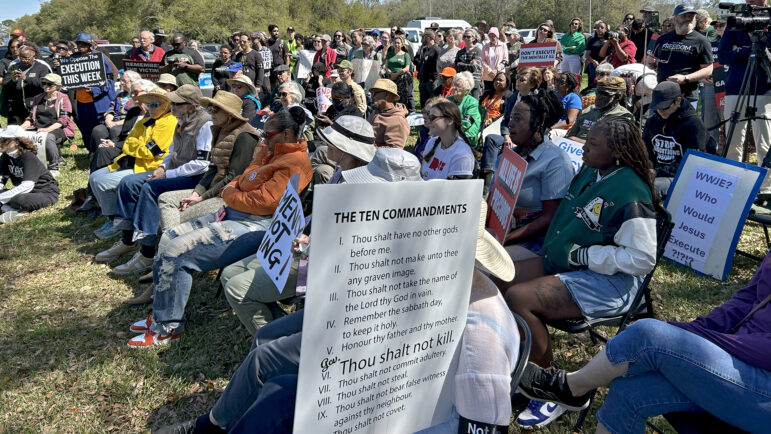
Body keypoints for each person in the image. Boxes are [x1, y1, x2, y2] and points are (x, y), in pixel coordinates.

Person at [160, 181, 518, 433]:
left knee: (278, 399)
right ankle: (214, 424)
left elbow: (479, 425)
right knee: (274, 383)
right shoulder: (432, 280)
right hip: (368, 379)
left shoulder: (479, 332)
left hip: (391, 409)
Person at [502, 115, 658, 429]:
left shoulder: (630, 189)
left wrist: (585, 254)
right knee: (497, 276)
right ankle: (516, 365)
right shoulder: (592, 170)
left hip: (610, 282)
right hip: (569, 262)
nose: (583, 147)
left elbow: (642, 259)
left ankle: (553, 389)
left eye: (593, 144)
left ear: (616, 151)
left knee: (519, 298)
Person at [517, 250, 771, 433]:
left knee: (649, 334)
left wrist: (704, 339)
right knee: (629, 391)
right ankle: (570, 389)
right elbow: (747, 300)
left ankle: (571, 387)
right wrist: (693, 329)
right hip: (738, 367)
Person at [126, 107, 312, 348]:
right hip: (237, 214)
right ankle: (163, 312)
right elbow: (244, 177)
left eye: (268, 135)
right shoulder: (270, 150)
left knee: (178, 250)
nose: (263, 139)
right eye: (264, 135)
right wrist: (237, 189)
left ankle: (168, 326)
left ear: (287, 134)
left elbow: (265, 203)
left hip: (260, 226)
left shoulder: (295, 162)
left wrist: (231, 193)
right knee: (169, 236)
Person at [95, 85, 213, 283]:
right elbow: (169, 152)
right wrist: (162, 168)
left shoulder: (205, 124)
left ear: (191, 106)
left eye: (176, 104)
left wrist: (168, 173)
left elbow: (202, 164)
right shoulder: (181, 121)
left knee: (149, 188)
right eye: (172, 103)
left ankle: (147, 252)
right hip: (175, 171)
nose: (172, 107)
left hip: (195, 177)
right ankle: (128, 239)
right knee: (128, 183)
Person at [155, 91, 261, 245]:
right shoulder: (220, 129)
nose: (210, 112)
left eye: (215, 109)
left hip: (229, 196)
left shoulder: (245, 136)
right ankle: (170, 248)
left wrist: (201, 198)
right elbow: (212, 167)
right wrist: (196, 193)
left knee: (181, 215)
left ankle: (168, 250)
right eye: (209, 108)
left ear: (230, 114)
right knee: (165, 199)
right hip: (214, 190)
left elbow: (234, 177)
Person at [89, 88, 176, 240]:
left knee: (102, 182)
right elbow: (127, 143)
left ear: (167, 105)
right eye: (149, 105)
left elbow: (151, 152)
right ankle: (111, 218)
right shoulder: (143, 121)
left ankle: (115, 223)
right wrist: (138, 145)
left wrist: (135, 145)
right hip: (131, 163)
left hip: (150, 167)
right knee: (95, 177)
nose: (151, 108)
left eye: (156, 105)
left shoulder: (169, 122)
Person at [499, 89, 573, 250]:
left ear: (538, 124)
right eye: (511, 117)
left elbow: (549, 219)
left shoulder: (556, 163)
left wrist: (504, 241)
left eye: (517, 119)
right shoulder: (509, 155)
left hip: (532, 244)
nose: (510, 123)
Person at [719, 0, 771, 201]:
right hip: (736, 88)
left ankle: (765, 189)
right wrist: (747, 50)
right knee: (733, 139)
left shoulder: (768, 19)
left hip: (764, 89)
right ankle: (732, 182)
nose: (752, 2)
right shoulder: (738, 21)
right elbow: (723, 55)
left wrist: (743, 49)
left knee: (764, 142)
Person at [480, 67, 542, 197]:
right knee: (491, 139)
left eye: (522, 79)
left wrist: (519, 140)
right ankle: (486, 185)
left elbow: (537, 127)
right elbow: (506, 120)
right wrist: (507, 136)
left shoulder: (538, 99)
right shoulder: (514, 97)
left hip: (527, 140)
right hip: (510, 136)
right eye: (517, 78)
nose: (517, 81)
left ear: (531, 83)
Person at [643, 81, 707, 198]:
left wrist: (657, 172)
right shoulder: (652, 122)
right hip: (655, 172)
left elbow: (692, 163)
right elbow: (645, 151)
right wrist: (647, 168)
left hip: (683, 176)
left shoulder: (693, 124)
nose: (660, 111)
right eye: (657, 107)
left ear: (678, 101)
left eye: (664, 106)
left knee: (650, 187)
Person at [649, 3, 713, 104]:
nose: (687, 19)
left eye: (691, 16)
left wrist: (685, 78)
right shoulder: (662, 39)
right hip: (662, 94)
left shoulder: (701, 41)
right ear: (675, 19)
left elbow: (708, 68)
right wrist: (651, 62)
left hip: (686, 96)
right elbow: (654, 63)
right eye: (683, 16)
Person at [0, 125, 59, 223]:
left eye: (4, 140)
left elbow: (27, 186)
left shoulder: (28, 157)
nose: (0, 142)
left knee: (18, 199)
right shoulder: (6, 156)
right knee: (8, 196)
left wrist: (2, 198)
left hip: (45, 192)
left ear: (16, 141)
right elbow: (2, 178)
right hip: (25, 192)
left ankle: (12, 210)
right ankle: (9, 209)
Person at [69, 33, 116, 154]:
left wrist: (95, 89)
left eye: (84, 44)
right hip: (81, 102)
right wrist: (59, 66)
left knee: (100, 128)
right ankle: (91, 152)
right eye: (78, 43)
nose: (80, 46)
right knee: (85, 129)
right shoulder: (73, 58)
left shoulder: (100, 57)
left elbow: (110, 79)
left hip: (99, 102)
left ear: (90, 45)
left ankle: (103, 152)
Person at [19, 73, 74, 174]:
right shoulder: (37, 98)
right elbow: (30, 118)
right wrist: (20, 128)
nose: (46, 86)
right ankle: (24, 164)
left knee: (48, 137)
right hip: (38, 128)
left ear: (57, 86)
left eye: (50, 84)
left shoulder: (64, 98)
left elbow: (64, 120)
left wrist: (46, 130)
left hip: (59, 129)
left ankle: (54, 166)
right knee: (20, 136)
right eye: (44, 83)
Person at [567, 77, 634, 143]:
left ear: (617, 97)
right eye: (597, 92)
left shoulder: (623, 117)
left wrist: (580, 141)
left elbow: (614, 147)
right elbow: (570, 136)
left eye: (604, 94)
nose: (598, 97)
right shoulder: (588, 110)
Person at [420, 99, 475, 180]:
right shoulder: (431, 142)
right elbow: (421, 175)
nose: (429, 121)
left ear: (449, 121)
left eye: (432, 117)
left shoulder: (462, 155)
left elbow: (456, 191)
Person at [2, 44, 52, 125]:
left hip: (36, 106)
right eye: (21, 58)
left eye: (27, 58)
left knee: (32, 133)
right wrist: (13, 80)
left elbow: (45, 84)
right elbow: (5, 85)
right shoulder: (14, 67)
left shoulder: (42, 67)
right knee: (15, 133)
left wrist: (26, 79)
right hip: (17, 107)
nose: (24, 60)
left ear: (33, 56)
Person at [368, 79, 409, 149]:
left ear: (387, 94)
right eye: (372, 93)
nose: (372, 96)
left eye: (375, 93)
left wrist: (368, 148)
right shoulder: (376, 112)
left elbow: (394, 150)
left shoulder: (397, 120)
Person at [448, 71, 481, 144]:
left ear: (466, 91)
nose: (454, 87)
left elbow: (466, 124)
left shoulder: (472, 102)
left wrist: (449, 133)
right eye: (454, 84)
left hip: (466, 136)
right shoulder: (449, 100)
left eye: (458, 86)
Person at [385, 36, 414, 112]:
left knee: (402, 99)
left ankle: (402, 115)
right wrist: (390, 73)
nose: (396, 44)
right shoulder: (390, 54)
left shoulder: (405, 55)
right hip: (391, 79)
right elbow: (386, 66)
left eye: (398, 43)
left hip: (402, 80)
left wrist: (396, 74)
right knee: (391, 97)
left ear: (402, 44)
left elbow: (407, 68)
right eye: (395, 43)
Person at [233, 33, 265, 100]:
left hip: (252, 86)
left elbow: (260, 71)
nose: (242, 43)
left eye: (244, 41)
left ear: (249, 42)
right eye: (240, 41)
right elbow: (235, 71)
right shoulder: (238, 55)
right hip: (241, 86)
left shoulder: (256, 55)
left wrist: (258, 85)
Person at [454, 29, 482, 99]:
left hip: (474, 82)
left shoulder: (478, 51)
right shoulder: (459, 52)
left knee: (473, 104)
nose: (466, 38)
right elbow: (456, 67)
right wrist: (468, 64)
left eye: (468, 37)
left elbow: (474, 67)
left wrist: (461, 64)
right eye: (464, 36)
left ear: (474, 38)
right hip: (462, 83)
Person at [417, 30, 441, 109]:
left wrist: (434, 79)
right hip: (423, 81)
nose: (422, 39)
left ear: (429, 38)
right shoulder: (425, 49)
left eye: (424, 37)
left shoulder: (436, 49)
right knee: (423, 103)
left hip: (431, 81)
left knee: (432, 103)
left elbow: (439, 64)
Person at [481, 27, 507, 93]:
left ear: (497, 36)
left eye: (494, 36)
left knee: (498, 92)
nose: (492, 37)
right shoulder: (485, 46)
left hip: (499, 74)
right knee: (488, 93)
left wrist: (496, 70)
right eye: (490, 36)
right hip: (488, 75)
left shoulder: (503, 45)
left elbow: (505, 60)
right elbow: (483, 60)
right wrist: (489, 71)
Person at [585, 20, 608, 89]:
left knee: (604, 82)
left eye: (602, 27)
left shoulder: (609, 40)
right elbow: (587, 54)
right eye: (597, 27)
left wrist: (605, 61)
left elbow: (611, 53)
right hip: (593, 64)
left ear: (606, 29)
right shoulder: (592, 40)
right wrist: (593, 61)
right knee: (592, 81)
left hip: (605, 64)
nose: (599, 29)